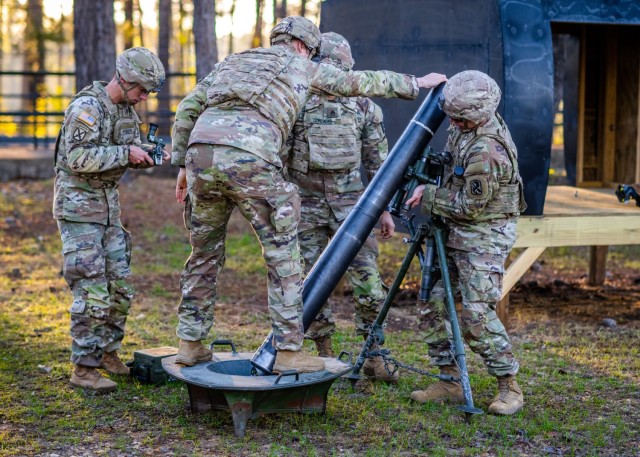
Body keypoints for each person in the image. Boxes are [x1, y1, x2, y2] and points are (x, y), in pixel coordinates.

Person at [171, 15, 447, 373]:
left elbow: (187, 108)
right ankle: (288, 351)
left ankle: (190, 343)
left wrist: (181, 165)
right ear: (304, 47)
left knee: (204, 253)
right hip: (252, 156)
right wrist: (418, 82)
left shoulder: (233, 62)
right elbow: (357, 81)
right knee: (284, 258)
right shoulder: (300, 66)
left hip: (201, 156)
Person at [406, 70, 527, 415]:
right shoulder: (465, 127)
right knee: (433, 305)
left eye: (460, 118)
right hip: (453, 228)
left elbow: (470, 207)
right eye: (452, 116)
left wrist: (429, 195)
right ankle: (450, 380)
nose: (453, 123)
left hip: (483, 234)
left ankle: (509, 386)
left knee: (475, 314)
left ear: (477, 115)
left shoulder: (487, 150)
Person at [284, 32, 398, 383]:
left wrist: (383, 209)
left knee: (361, 281)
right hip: (311, 204)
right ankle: (325, 355)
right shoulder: (296, 100)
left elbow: (379, 162)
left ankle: (371, 356)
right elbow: (381, 165)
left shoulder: (362, 105)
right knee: (314, 284)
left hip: (353, 205)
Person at [53, 47, 167, 392]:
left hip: (108, 211)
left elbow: (131, 147)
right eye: (141, 90)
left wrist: (150, 155)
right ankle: (84, 368)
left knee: (120, 288)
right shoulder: (86, 109)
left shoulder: (125, 111)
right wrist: (124, 154)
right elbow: (76, 158)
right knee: (91, 291)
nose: (144, 98)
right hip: (78, 211)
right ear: (125, 80)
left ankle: (106, 353)